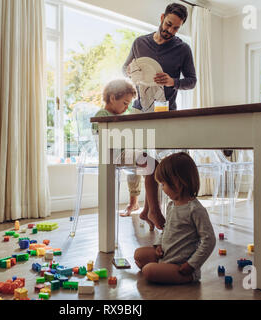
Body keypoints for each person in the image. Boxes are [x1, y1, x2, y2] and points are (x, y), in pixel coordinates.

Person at [121, 3, 197, 229]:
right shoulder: (139, 43)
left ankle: (152, 209)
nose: (170, 31)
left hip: (165, 111)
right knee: (142, 156)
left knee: (163, 162)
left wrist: (173, 81)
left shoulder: (182, 49)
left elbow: (192, 81)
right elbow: (125, 68)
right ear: (162, 17)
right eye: (168, 24)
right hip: (139, 109)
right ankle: (148, 208)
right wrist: (131, 72)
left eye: (175, 28)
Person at [134, 152, 216, 284]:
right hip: (166, 255)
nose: (162, 189)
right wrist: (158, 245)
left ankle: (171, 273)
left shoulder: (195, 210)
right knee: (139, 254)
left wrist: (191, 265)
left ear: (178, 183)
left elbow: (209, 240)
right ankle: (160, 268)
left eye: (163, 184)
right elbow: (166, 229)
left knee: (148, 271)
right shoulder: (172, 205)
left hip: (181, 266)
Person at [92, 79, 161, 231]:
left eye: (128, 104)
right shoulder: (103, 114)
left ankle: (149, 211)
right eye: (124, 103)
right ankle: (152, 211)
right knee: (151, 163)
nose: (127, 107)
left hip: (125, 153)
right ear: (112, 98)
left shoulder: (120, 115)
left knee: (154, 166)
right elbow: (107, 138)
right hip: (112, 155)